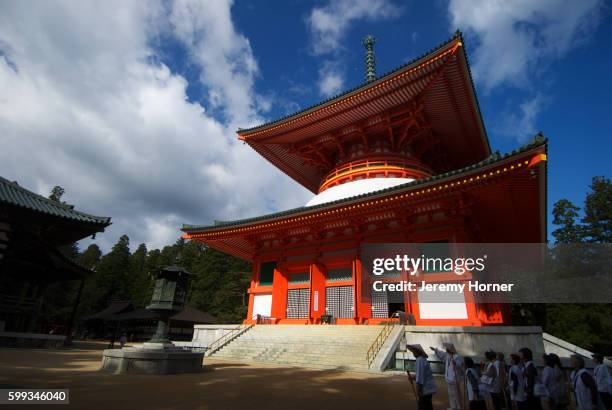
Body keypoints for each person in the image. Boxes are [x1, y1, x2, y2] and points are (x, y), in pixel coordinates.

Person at [431, 342, 464, 410]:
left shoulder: (457, 357)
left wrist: (456, 363)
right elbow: (442, 355)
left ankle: (458, 407)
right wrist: (435, 350)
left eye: (447, 349)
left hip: (455, 379)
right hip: (449, 379)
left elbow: (460, 365)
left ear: (450, 349)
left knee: (456, 394)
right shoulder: (448, 356)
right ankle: (453, 407)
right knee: (451, 394)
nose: (446, 350)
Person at [407, 344, 437, 410]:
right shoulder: (422, 359)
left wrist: (419, 389)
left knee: (424, 406)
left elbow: (420, 377)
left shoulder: (419, 360)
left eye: (414, 351)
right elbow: (421, 374)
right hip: (428, 388)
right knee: (428, 405)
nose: (413, 353)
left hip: (425, 389)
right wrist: (413, 378)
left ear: (418, 352)